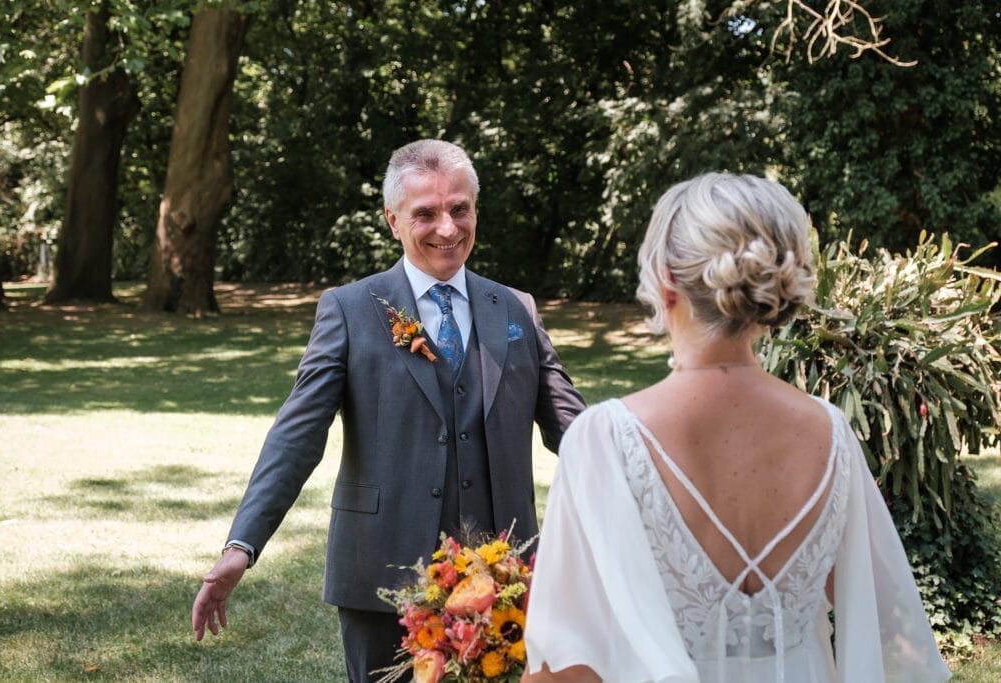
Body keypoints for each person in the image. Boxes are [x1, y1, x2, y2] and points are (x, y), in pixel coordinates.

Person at [522, 173, 950, 682]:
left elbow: (564, 667)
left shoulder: (604, 439)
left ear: (667, 280)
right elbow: (887, 621)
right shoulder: (830, 433)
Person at [191, 139, 585, 681]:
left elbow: (575, 427)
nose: (447, 228)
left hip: (504, 576)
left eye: (460, 209)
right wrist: (242, 544)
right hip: (382, 572)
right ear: (392, 220)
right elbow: (298, 434)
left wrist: (657, 486)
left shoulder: (515, 308)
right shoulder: (350, 309)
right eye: (426, 213)